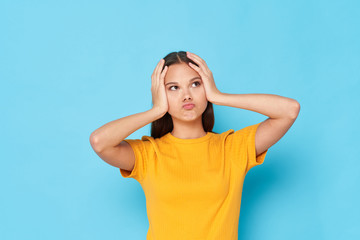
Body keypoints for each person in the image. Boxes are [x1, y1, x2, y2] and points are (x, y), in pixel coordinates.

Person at [89, 51, 300, 240]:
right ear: (161, 94)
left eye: (195, 84)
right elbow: (100, 142)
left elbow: (289, 110)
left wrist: (219, 96)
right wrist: (155, 110)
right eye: (174, 88)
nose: (186, 95)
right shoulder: (149, 154)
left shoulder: (232, 148)